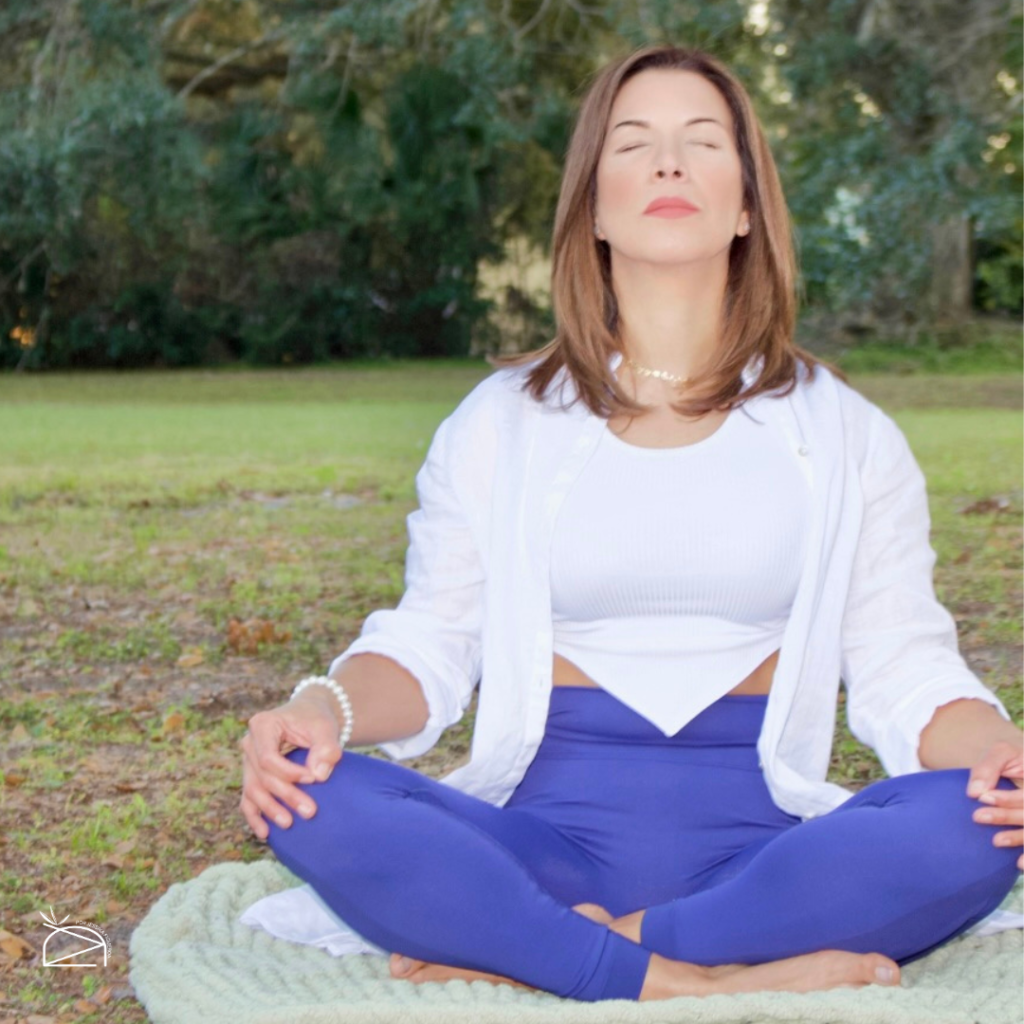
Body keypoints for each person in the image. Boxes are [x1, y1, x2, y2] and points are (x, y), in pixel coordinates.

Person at [238, 44, 1024, 1003]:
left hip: (766, 855)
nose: (667, 164)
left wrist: (999, 754)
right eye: (634, 144)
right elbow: (431, 641)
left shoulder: (845, 434)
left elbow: (904, 663)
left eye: (702, 142)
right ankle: (710, 982)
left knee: (980, 824)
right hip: (539, 845)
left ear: (746, 207)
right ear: (594, 207)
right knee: (309, 801)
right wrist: (323, 709)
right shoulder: (500, 421)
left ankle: (579, 951)